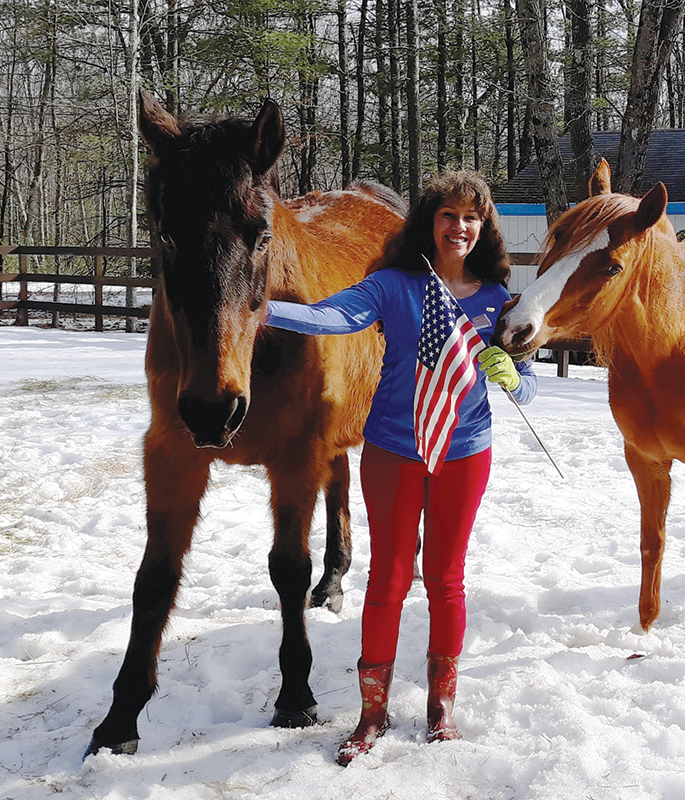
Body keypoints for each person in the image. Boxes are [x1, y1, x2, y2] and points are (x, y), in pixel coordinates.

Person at [264, 171, 537, 765]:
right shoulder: (392, 284)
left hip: (466, 449)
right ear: (428, 222)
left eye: (471, 216)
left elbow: (527, 384)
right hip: (392, 448)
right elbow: (331, 318)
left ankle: (441, 707)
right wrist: (262, 310)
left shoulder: (497, 298)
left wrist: (515, 376)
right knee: (388, 580)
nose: (459, 226)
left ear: (483, 225)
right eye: (447, 214)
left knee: (445, 578)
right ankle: (372, 711)